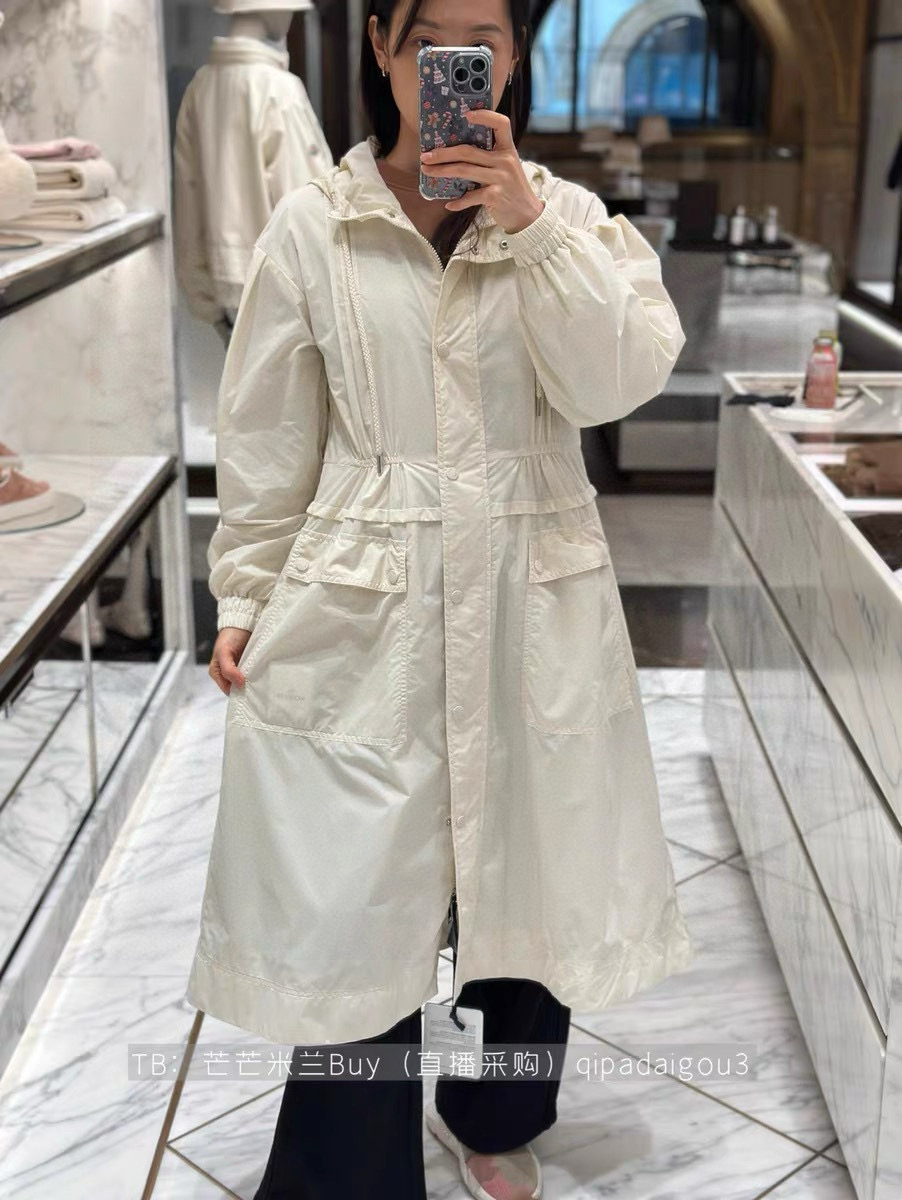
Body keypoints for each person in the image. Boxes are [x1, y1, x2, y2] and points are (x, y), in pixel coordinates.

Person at [186, 0, 693, 1196]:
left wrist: (530, 227)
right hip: (366, 587)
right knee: (355, 902)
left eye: (480, 43)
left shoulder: (569, 220)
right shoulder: (315, 224)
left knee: (529, 866)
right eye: (425, 44)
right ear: (380, 46)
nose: (447, 70)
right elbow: (267, 431)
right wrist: (244, 590)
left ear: (510, 60)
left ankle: (497, 1110)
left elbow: (614, 382)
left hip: (531, 587)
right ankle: (348, 1171)